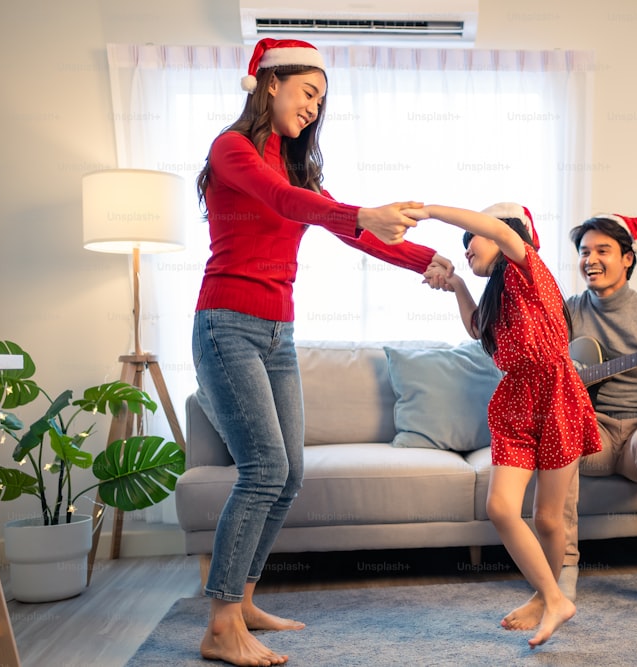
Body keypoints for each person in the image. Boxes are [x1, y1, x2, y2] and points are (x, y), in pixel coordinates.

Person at [192, 38, 452, 667]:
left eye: (321, 101)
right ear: (269, 82)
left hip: (278, 334)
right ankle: (221, 625)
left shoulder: (296, 166)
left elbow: (342, 223)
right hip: (227, 326)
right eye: (308, 92)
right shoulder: (233, 150)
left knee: (290, 473)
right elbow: (286, 204)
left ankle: (245, 600)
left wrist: (425, 259)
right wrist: (361, 210)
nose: (313, 108)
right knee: (263, 471)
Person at [414, 202, 602, 648]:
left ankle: (545, 598)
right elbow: (478, 328)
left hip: (556, 392)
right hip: (515, 399)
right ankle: (555, 598)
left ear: (503, 235)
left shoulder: (526, 265)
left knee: (549, 519)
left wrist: (433, 212)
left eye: (470, 241)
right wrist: (458, 283)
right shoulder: (498, 293)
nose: (465, 248)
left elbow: (493, 228)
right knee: (501, 508)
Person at [501, 213, 637, 629]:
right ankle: (563, 572)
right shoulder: (567, 311)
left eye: (602, 251)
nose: (590, 259)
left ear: (627, 258)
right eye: (584, 252)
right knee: (561, 436)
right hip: (593, 430)